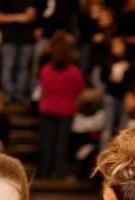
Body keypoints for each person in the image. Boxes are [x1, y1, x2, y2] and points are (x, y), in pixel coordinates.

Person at [38, 33, 86, 179]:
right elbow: (81, 89)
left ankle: (45, 171)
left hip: (47, 108)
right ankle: (59, 172)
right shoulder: (73, 71)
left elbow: (43, 86)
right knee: (61, 143)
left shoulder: (46, 69)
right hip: (66, 110)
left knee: (47, 141)